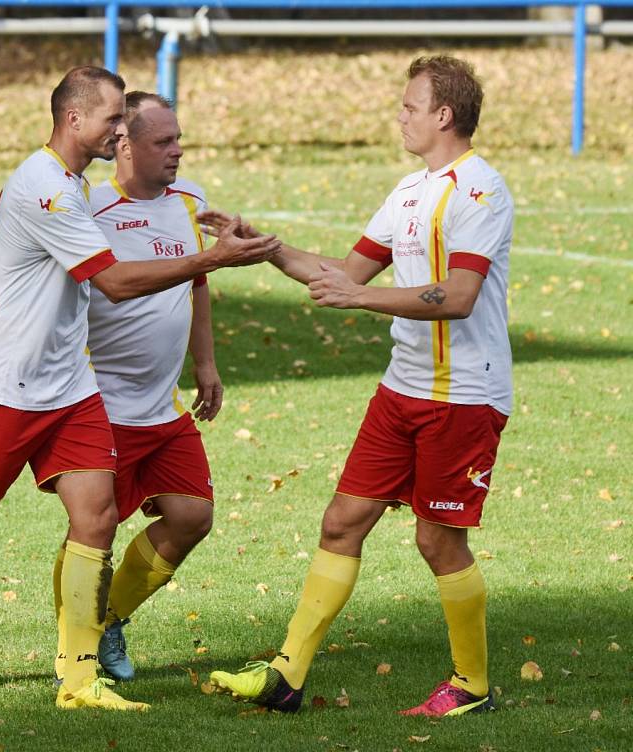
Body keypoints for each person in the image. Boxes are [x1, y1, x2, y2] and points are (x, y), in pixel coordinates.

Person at [0, 67, 280, 712]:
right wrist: (211, 259)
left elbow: (23, 266)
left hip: (70, 387)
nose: (121, 130)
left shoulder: (72, 185)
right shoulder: (47, 188)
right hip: (9, 385)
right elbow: (111, 282)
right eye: (114, 118)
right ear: (74, 119)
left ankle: (79, 681)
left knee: (98, 518)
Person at [204, 55, 514, 718]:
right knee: (342, 521)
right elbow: (344, 271)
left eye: (409, 106)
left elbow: (459, 296)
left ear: (443, 115)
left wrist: (359, 300)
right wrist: (265, 247)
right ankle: (286, 677)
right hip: (401, 390)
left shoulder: (480, 190)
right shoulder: (408, 191)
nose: (399, 115)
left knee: (437, 541)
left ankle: (472, 687)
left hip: (462, 397)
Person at [0, 92, 221, 683]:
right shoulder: (86, 205)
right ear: (123, 146)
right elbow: (20, 277)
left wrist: (205, 364)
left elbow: (198, 284)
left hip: (163, 402)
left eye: (178, 138)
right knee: (94, 528)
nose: (178, 151)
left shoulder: (192, 204)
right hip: (95, 398)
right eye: (163, 141)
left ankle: (105, 622)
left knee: (192, 516)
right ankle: (76, 647)